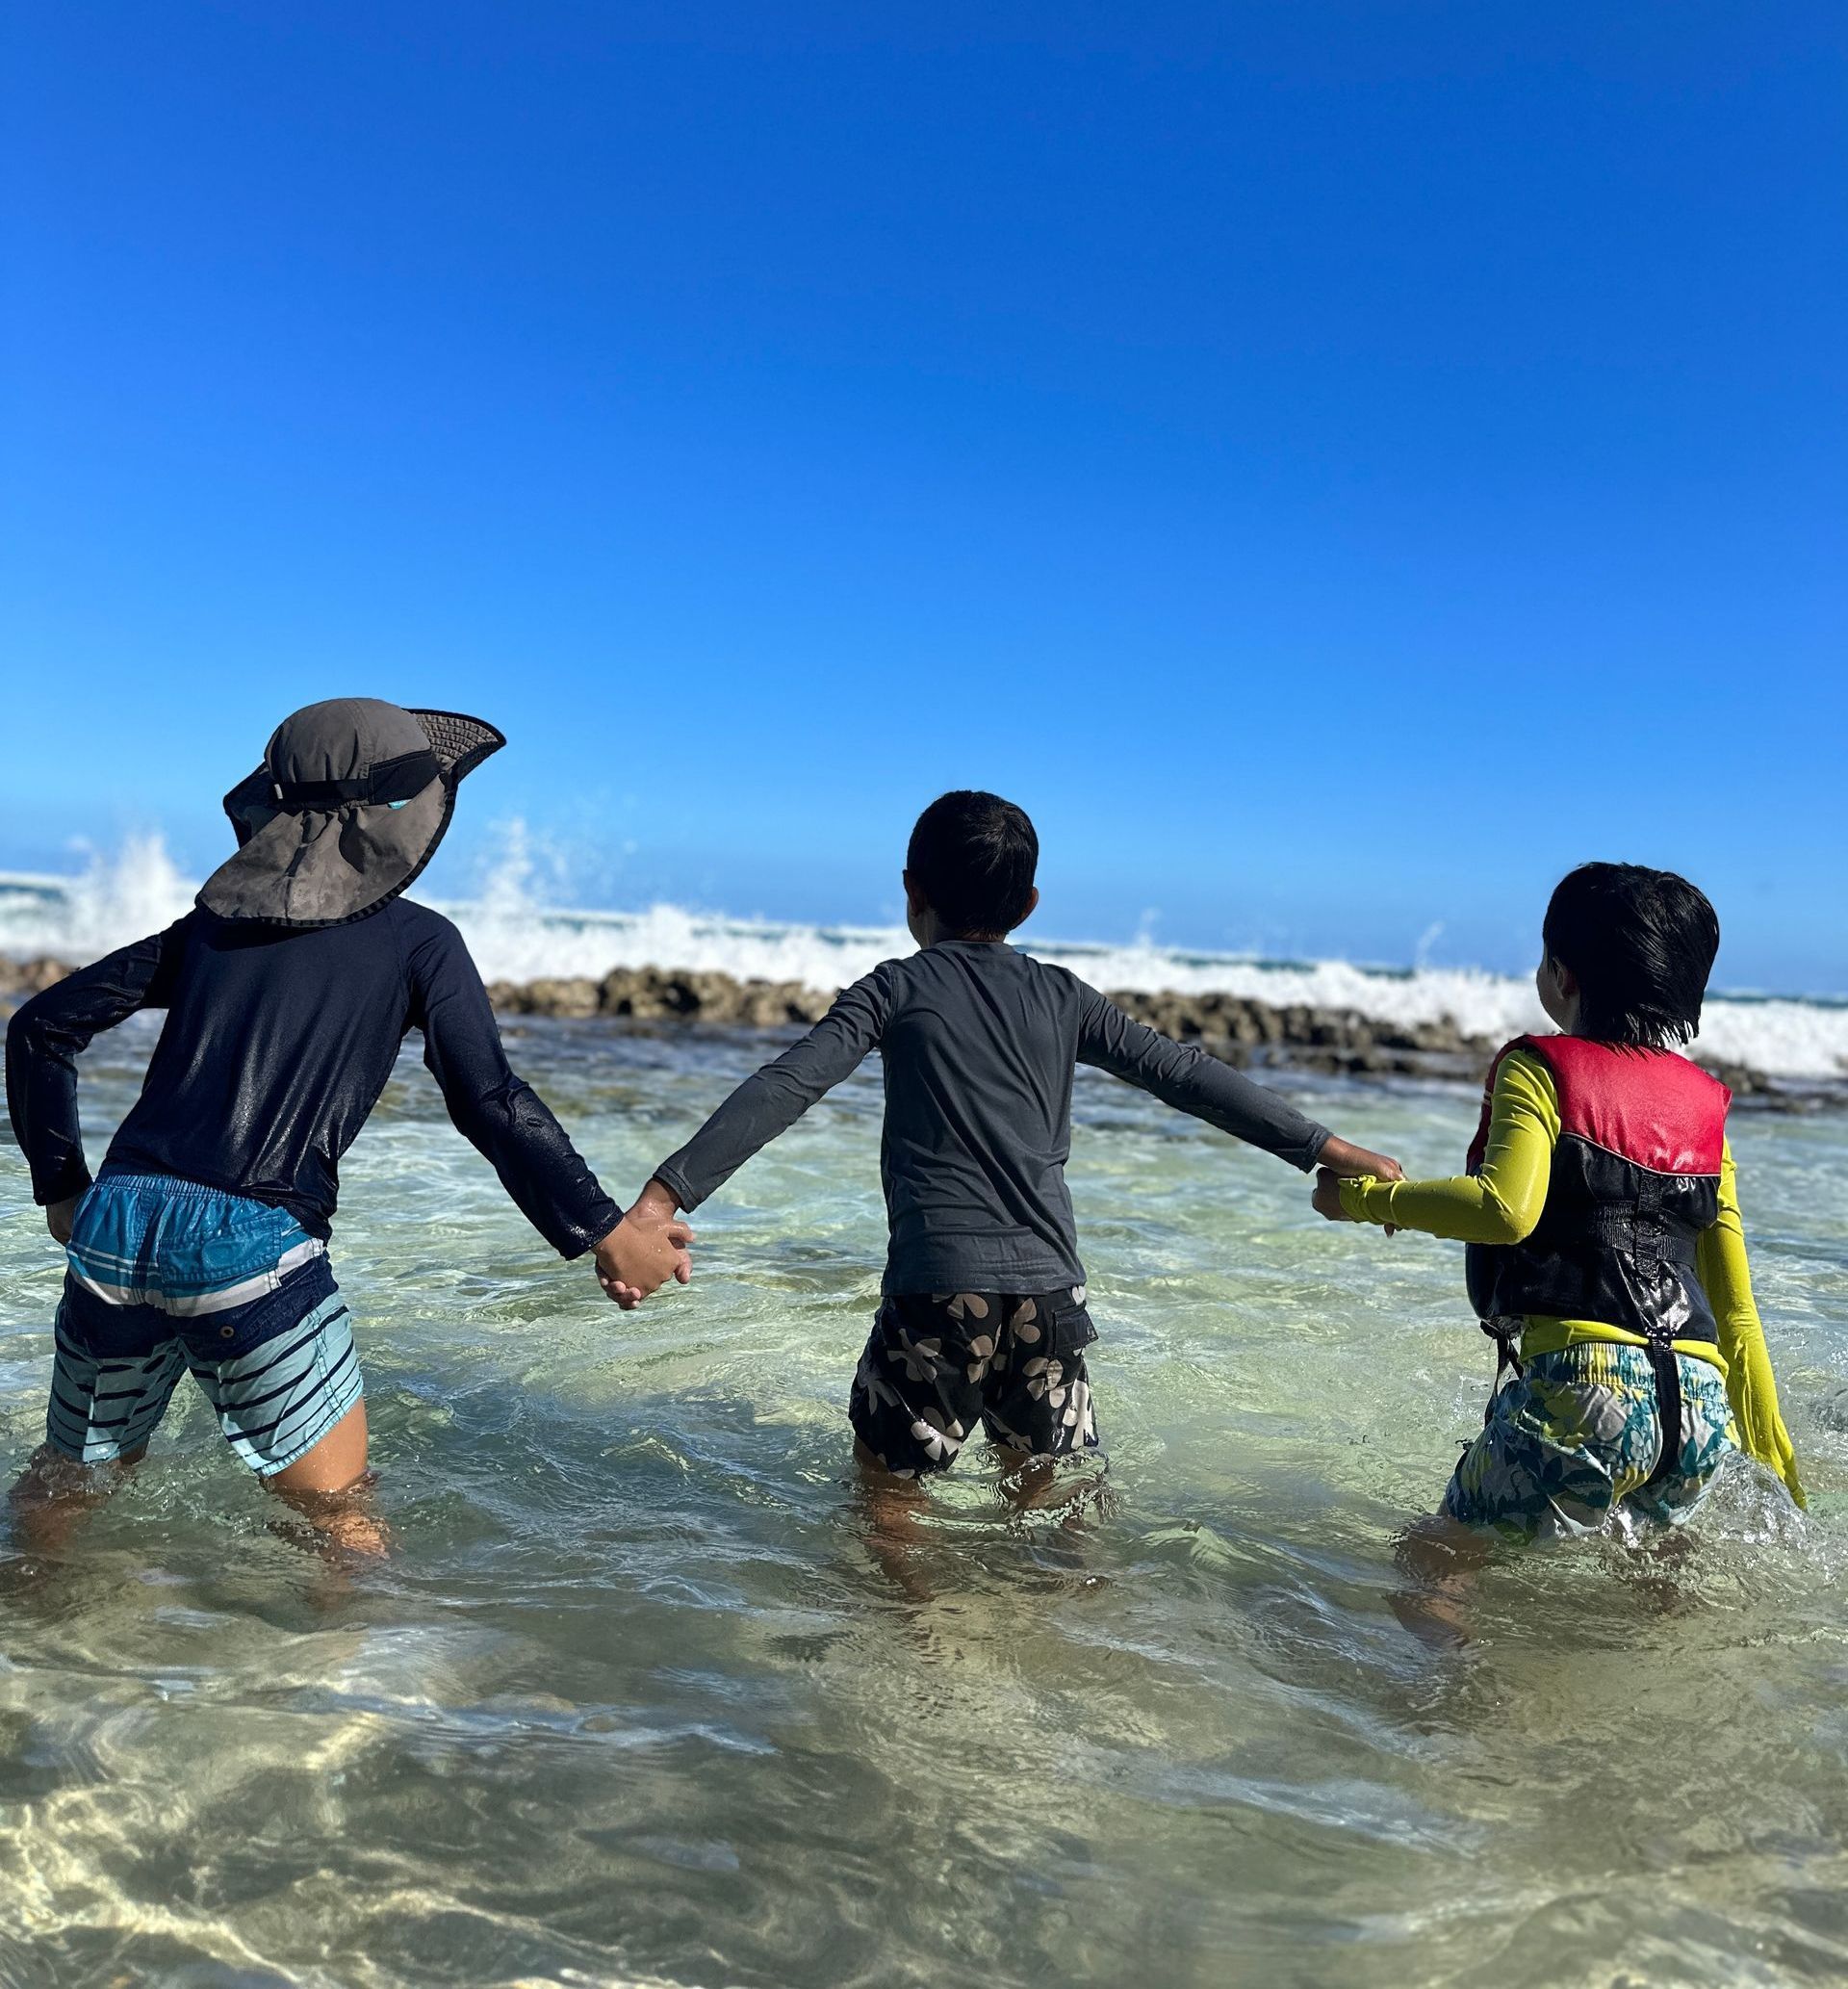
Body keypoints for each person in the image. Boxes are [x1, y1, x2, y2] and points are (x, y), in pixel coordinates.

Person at [5, 698, 689, 1557]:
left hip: (117, 1223)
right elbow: (488, 1101)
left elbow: (39, 1028)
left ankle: (39, 1656)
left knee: (69, 1488)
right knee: (342, 1528)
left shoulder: (210, 932)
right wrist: (605, 1230)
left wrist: (63, 1186)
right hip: (249, 1243)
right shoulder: (420, 943)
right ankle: (346, 1687)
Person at [602, 789, 1401, 1483]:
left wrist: (661, 1199)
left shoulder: (896, 988)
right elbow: (1189, 1077)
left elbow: (788, 1084)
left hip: (938, 1293)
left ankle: (914, 1644)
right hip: (1053, 1296)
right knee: (1056, 1505)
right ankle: (1061, 1644)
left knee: (889, 1501)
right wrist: (1324, 1147)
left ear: (911, 891)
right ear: (1028, 907)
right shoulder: (1065, 996)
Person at [1313, 862, 1805, 1549]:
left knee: (1434, 1557)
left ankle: (1455, 1664)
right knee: (1657, 1576)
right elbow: (1737, 1312)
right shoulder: (1708, 1115)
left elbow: (1504, 1209)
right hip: (1697, 1409)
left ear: (1561, 973)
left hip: (1588, 1390)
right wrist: (1768, 1447)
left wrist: (1367, 1200)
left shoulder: (1541, 1071)